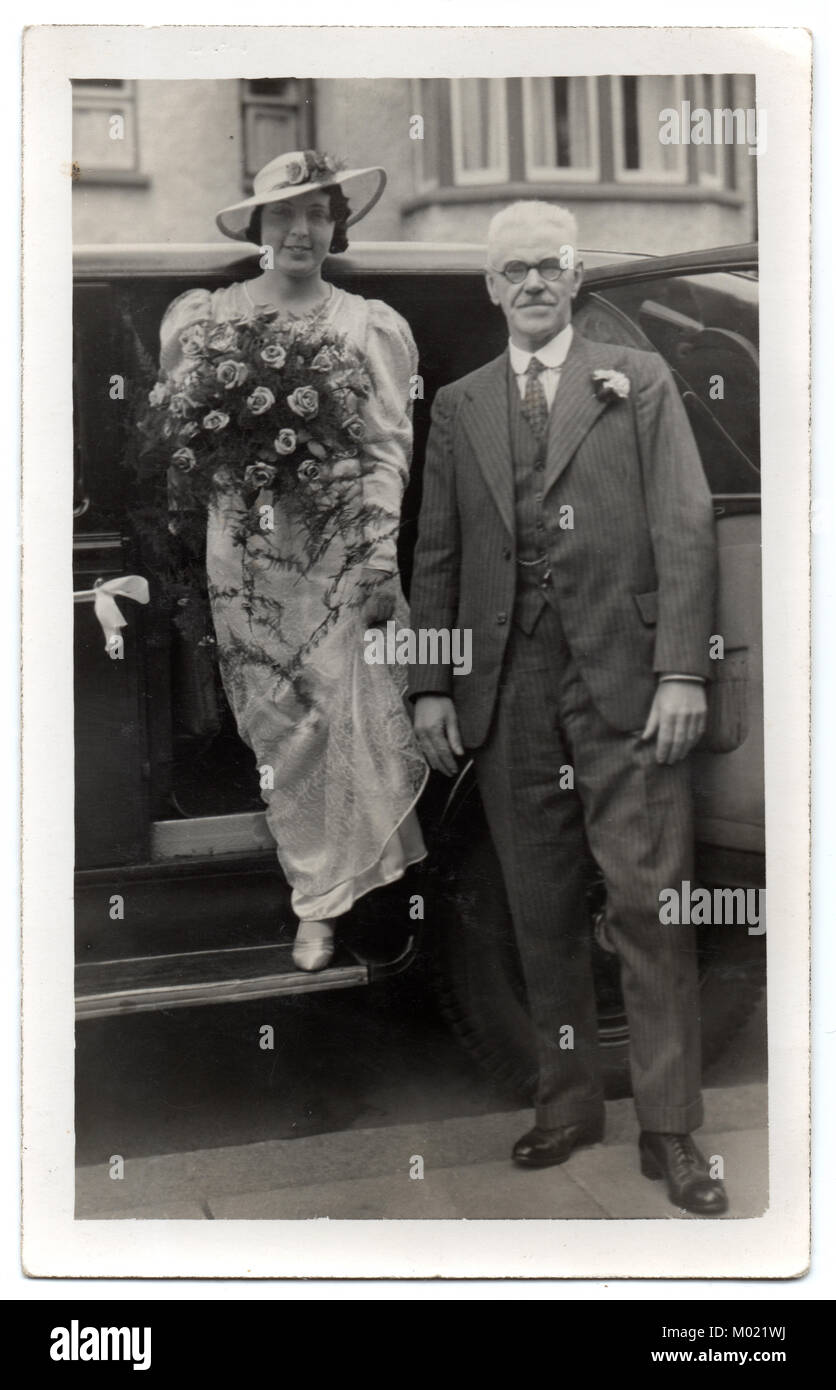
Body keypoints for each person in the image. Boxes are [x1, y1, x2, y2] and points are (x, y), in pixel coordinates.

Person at [408, 200, 728, 1216]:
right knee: (538, 909)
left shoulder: (635, 381)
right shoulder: (458, 405)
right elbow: (437, 554)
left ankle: (671, 1129)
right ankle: (566, 1102)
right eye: (513, 271)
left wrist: (682, 670)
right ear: (491, 288)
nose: (532, 283)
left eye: (547, 265)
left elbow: (683, 523)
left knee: (645, 901)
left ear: (574, 275)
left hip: (627, 681)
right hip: (506, 685)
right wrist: (427, 681)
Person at [157, 150, 427, 971]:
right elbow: (182, 441)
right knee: (278, 721)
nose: (301, 231)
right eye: (284, 216)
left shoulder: (364, 322)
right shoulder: (211, 318)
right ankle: (317, 889)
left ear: (335, 225)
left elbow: (387, 448)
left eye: (317, 214)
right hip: (244, 552)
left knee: (345, 711)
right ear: (259, 229)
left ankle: (333, 904)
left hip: (338, 553)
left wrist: (378, 553)